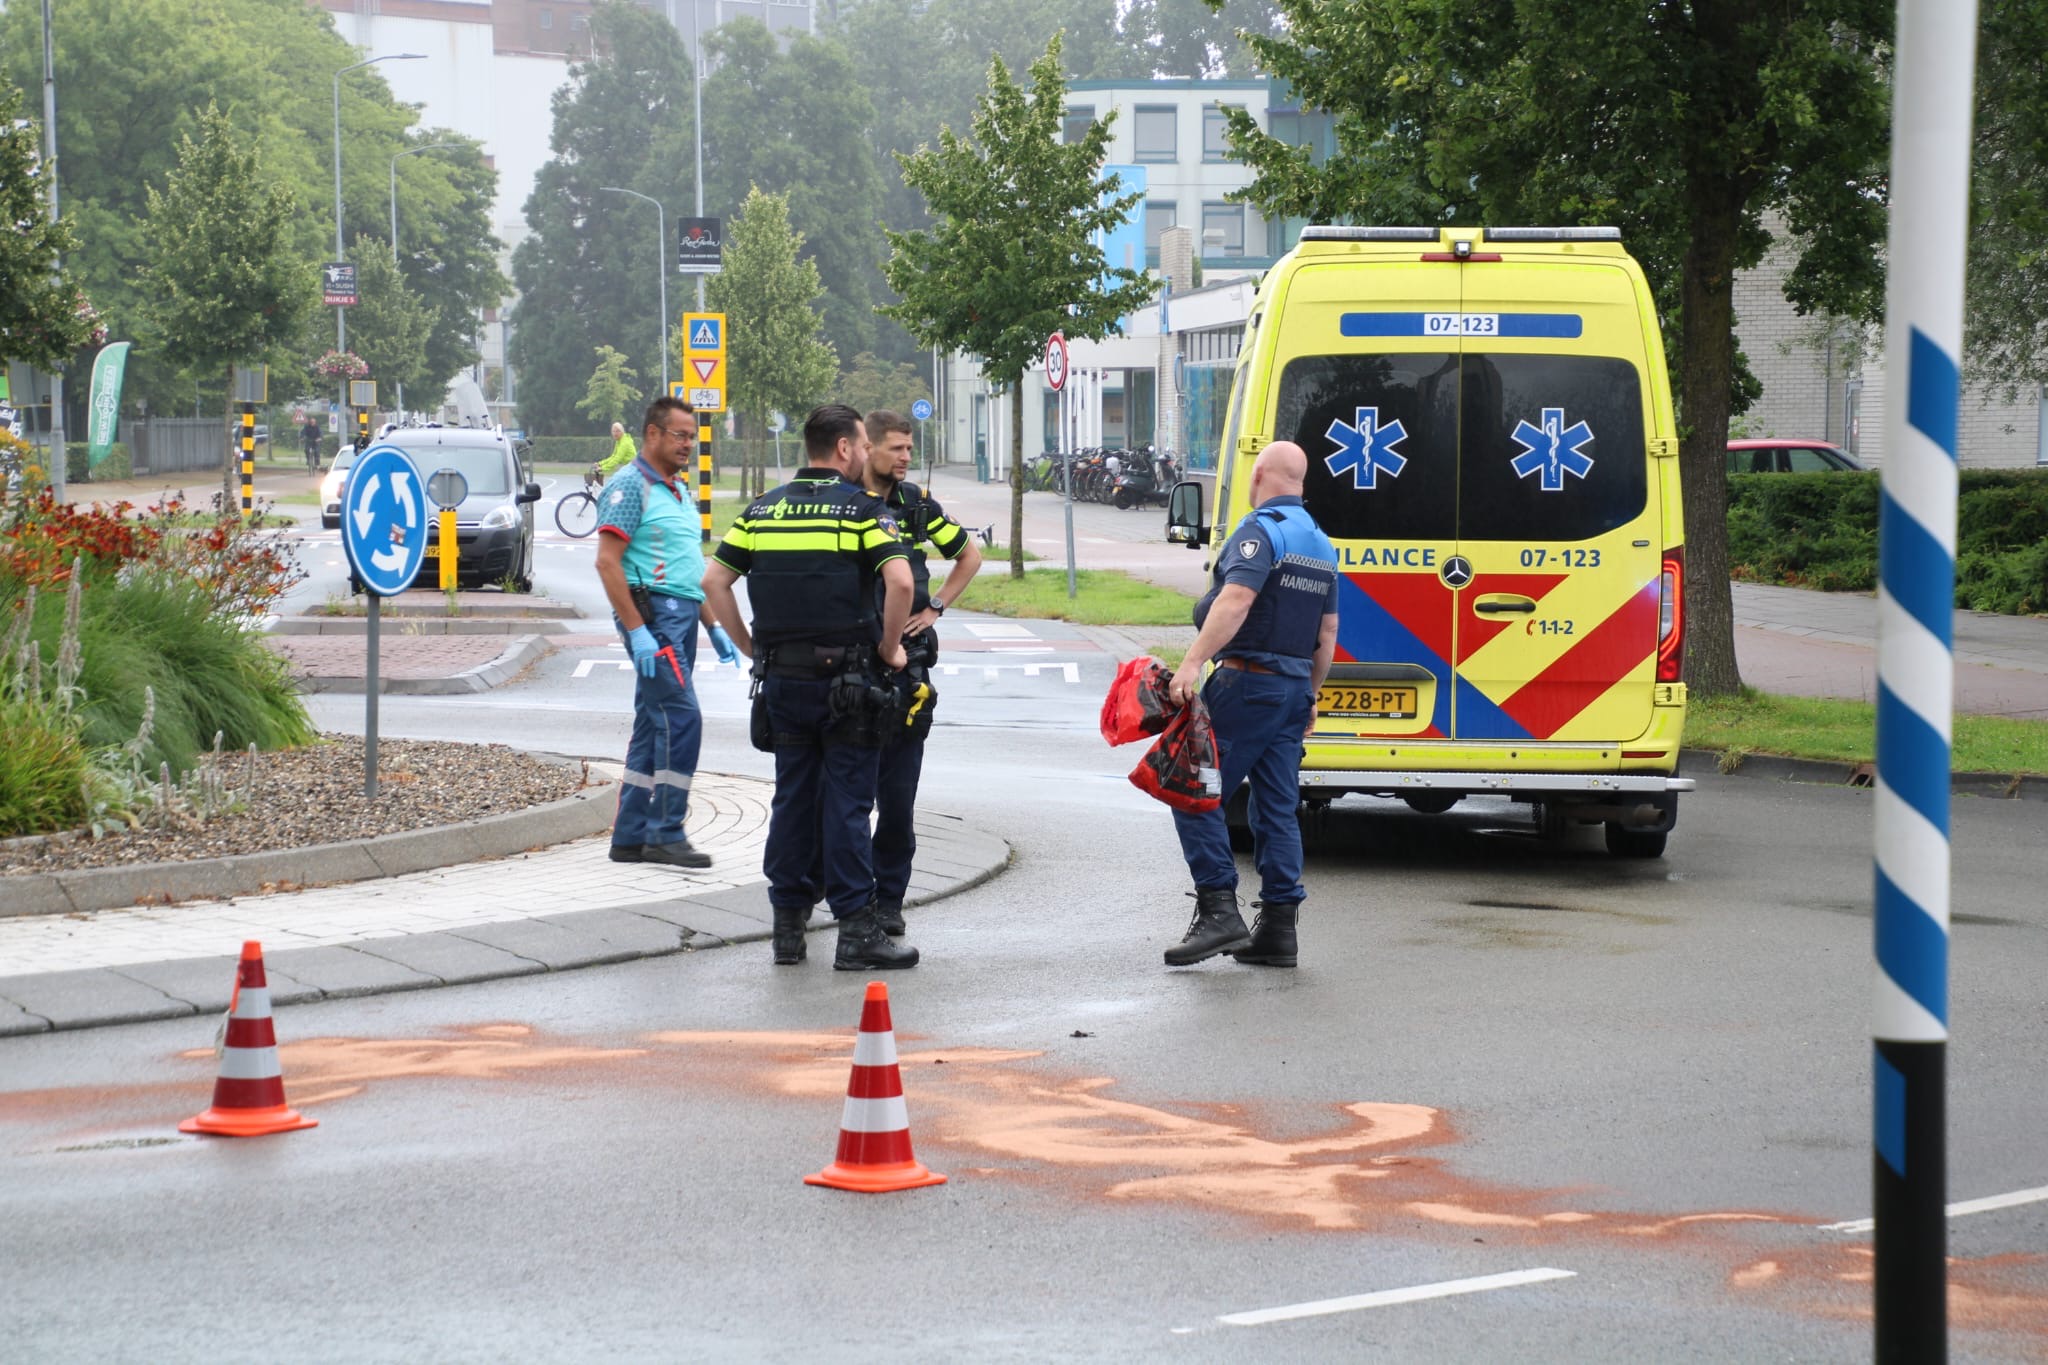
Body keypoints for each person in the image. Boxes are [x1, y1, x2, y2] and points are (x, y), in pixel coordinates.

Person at [701, 405, 917, 970]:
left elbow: (714, 580)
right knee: (847, 804)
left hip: (782, 683)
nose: (870, 454)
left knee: (792, 799)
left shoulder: (761, 512)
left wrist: (750, 647)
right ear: (844, 449)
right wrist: (890, 648)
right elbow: (900, 580)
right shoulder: (862, 512)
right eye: (866, 445)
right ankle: (855, 932)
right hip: (849, 686)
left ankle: (788, 928)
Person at [1162, 440, 1339, 968]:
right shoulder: (1322, 544)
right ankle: (1279, 930)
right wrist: (1310, 693)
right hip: (1290, 692)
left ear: (1258, 473)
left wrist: (1193, 663)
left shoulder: (1260, 531)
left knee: (1191, 788)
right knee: (1276, 808)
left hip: (1247, 684)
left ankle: (1219, 911)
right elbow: (1327, 632)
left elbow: (1237, 600)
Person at [859, 408, 982, 936]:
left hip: (909, 668)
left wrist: (936, 610)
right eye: (897, 448)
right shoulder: (847, 502)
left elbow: (968, 556)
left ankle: (889, 901)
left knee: (898, 798)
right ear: (866, 448)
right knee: (847, 796)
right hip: (857, 660)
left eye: (910, 448)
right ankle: (848, 895)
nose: (907, 457)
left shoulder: (915, 504)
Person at [595, 396, 712, 870]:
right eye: (680, 435)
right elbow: (607, 562)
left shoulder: (678, 489)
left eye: (693, 437)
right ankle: (666, 832)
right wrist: (638, 630)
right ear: (652, 434)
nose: (689, 444)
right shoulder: (630, 486)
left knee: (653, 721)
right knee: (683, 718)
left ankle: (631, 837)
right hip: (654, 619)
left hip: (681, 615)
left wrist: (712, 623)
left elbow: (686, 569)